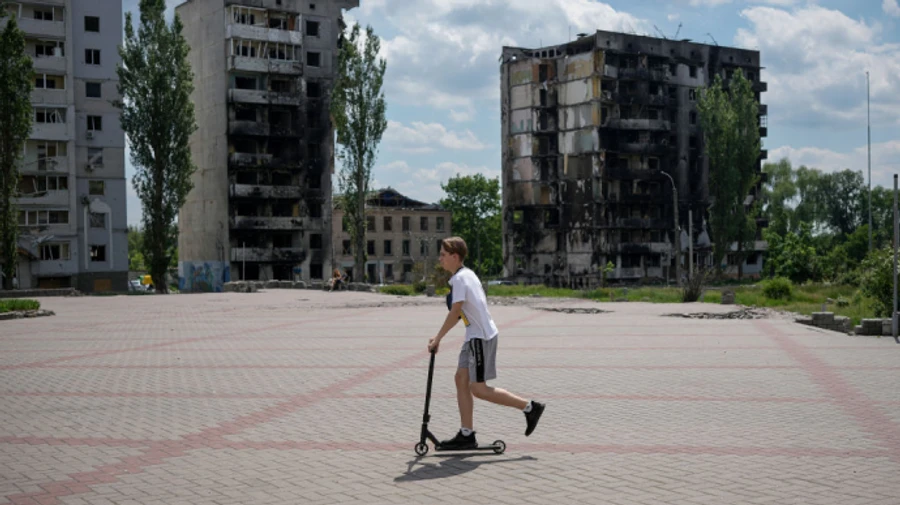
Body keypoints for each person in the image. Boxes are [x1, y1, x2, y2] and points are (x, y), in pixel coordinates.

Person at [427, 236, 545, 450]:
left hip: (480, 338)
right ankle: (466, 434)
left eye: (443, 255)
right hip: (474, 336)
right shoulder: (466, 274)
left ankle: (529, 407)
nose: (440, 259)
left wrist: (438, 338)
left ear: (455, 256)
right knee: (460, 378)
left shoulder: (460, 280)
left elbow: (456, 312)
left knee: (478, 389)